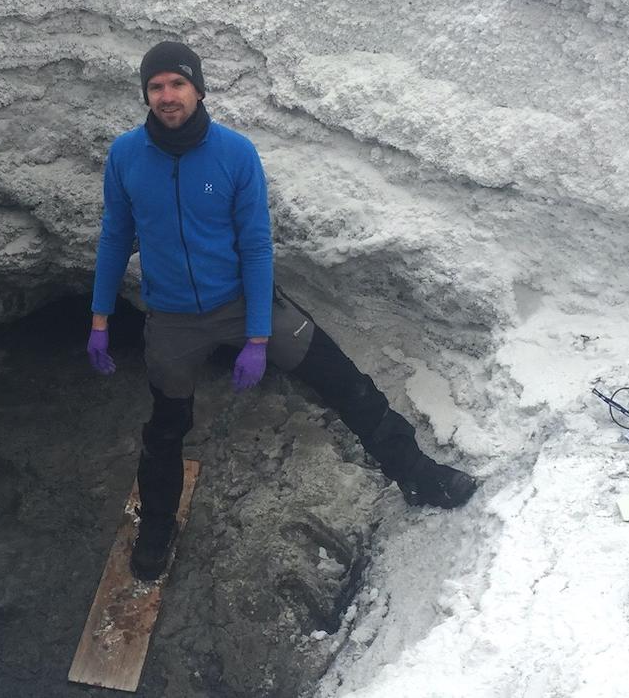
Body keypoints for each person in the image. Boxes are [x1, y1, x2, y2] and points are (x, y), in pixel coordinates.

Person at [87, 41, 477, 581]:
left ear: (198, 89)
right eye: (156, 87)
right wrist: (100, 318)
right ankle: (157, 524)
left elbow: (256, 245)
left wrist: (257, 338)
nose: (167, 96)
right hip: (172, 318)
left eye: (177, 83)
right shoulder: (126, 156)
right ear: (146, 95)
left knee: (344, 381)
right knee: (167, 426)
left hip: (244, 300)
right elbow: (114, 238)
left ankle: (418, 474)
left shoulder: (234, 153)